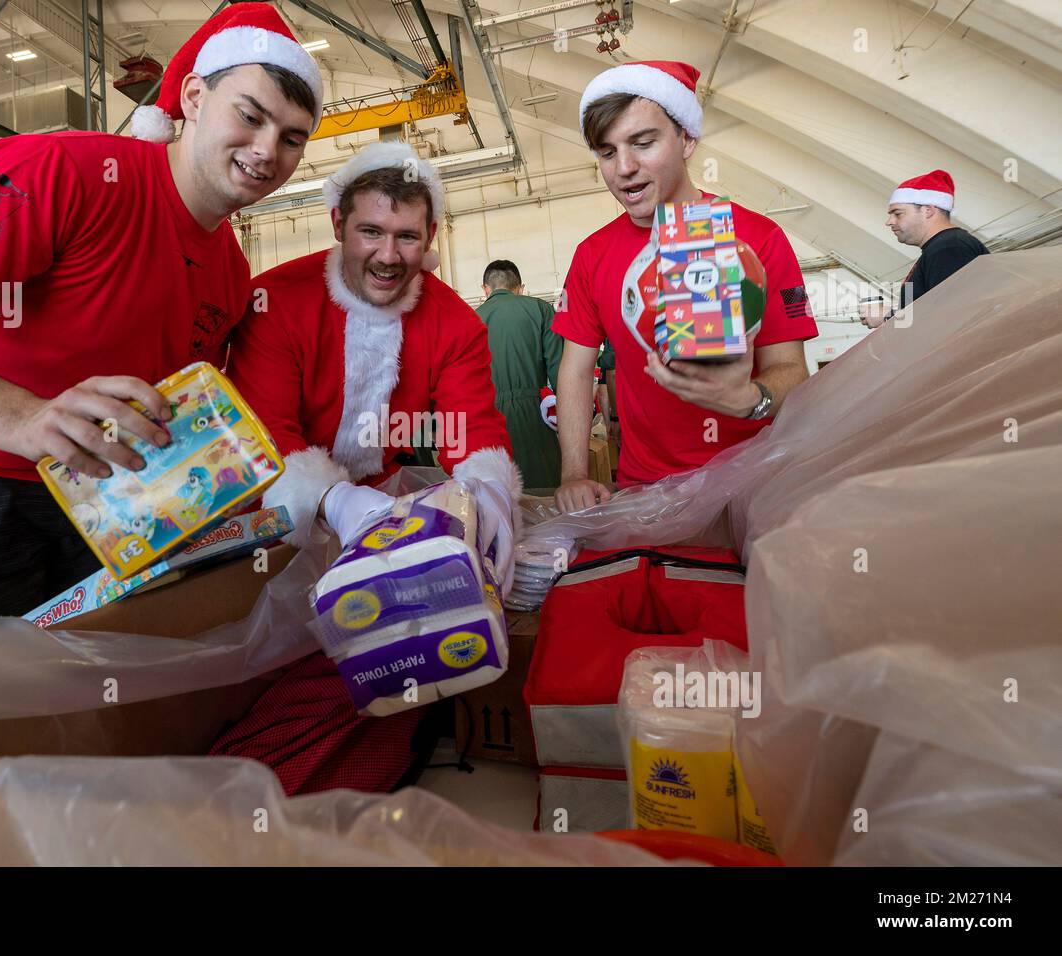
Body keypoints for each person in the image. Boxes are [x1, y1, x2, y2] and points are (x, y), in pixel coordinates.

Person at [0, 4, 323, 626]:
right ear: (193, 96)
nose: (268, 149)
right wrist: (26, 420)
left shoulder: (231, 273)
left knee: (86, 707)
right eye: (250, 115)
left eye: (293, 137)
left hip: (110, 510)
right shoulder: (60, 173)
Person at [217, 141, 522, 796]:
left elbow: (473, 429)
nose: (389, 256)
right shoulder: (273, 301)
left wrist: (490, 493)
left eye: (407, 236)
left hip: (384, 520)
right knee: (266, 671)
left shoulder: (455, 322)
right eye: (372, 232)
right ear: (337, 224)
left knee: (376, 670)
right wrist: (338, 506)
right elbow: (267, 435)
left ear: (430, 235)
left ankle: (352, 769)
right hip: (269, 525)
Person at [551, 60, 818, 512]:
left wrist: (751, 400)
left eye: (643, 143)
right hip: (647, 492)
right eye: (607, 152)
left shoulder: (755, 238)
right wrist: (574, 473)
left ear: (688, 139)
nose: (625, 169)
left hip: (752, 485)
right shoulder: (592, 255)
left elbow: (792, 369)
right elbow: (576, 370)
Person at [476, 259, 565, 490]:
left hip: (486, 422)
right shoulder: (540, 309)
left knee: (496, 498)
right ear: (520, 287)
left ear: (486, 289)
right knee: (542, 493)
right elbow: (561, 374)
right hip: (535, 417)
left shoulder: (471, 320)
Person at [887, 170, 989, 310]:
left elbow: (950, 314)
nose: (889, 222)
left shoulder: (950, 248)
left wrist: (887, 317)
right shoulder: (941, 247)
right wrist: (889, 317)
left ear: (928, 210)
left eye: (898, 214)